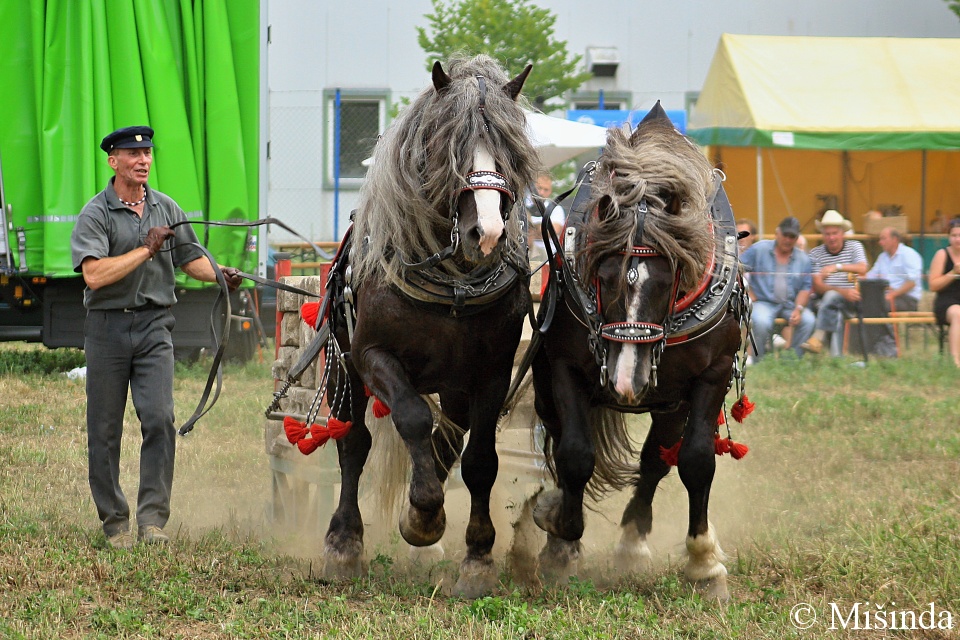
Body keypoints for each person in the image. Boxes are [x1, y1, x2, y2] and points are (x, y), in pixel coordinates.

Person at [70, 125, 243, 549]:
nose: (143, 160)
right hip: (108, 329)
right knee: (105, 430)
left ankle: (152, 522)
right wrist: (145, 250)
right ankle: (114, 523)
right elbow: (94, 275)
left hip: (154, 327)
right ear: (113, 162)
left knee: (160, 420)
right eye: (133, 154)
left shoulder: (166, 208)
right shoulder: (96, 214)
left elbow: (189, 260)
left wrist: (221, 276)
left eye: (147, 152)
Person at [740, 216, 815, 360]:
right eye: (785, 235)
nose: (788, 239)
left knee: (808, 320)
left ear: (797, 238)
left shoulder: (804, 259)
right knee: (760, 321)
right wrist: (748, 291)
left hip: (790, 304)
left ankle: (791, 360)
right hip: (763, 302)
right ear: (777, 233)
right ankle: (758, 361)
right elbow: (737, 268)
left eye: (792, 236)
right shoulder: (759, 249)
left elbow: (806, 287)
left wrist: (798, 309)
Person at [803, 210, 868, 355]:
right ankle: (836, 360)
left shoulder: (854, 246)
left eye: (834, 233)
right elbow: (818, 286)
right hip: (829, 299)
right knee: (834, 308)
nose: (831, 237)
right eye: (827, 234)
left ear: (842, 233)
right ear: (823, 235)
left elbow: (863, 268)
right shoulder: (815, 253)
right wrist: (843, 291)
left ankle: (817, 338)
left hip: (852, 301)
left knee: (831, 300)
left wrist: (837, 267)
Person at [866, 227, 923, 313]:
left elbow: (912, 282)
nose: (880, 242)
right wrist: (859, 279)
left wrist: (892, 295)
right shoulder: (882, 257)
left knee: (876, 305)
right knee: (863, 303)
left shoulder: (909, 254)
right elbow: (871, 276)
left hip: (907, 299)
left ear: (895, 239)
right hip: (886, 296)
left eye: (883, 239)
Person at [928, 219, 960, 367]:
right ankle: (955, 361)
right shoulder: (942, 254)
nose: (957, 239)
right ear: (949, 237)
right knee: (958, 313)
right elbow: (933, 285)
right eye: (954, 235)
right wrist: (953, 273)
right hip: (947, 302)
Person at [524, 172, 565, 260]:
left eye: (546, 190)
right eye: (539, 188)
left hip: (548, 256)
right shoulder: (522, 207)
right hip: (525, 253)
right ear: (532, 188)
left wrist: (529, 229)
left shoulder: (555, 209)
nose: (541, 193)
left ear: (550, 191)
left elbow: (551, 232)